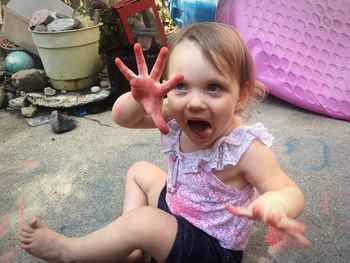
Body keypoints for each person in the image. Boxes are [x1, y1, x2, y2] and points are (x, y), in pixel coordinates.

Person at [19, 22, 310, 263]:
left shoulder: (244, 149)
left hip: (211, 250)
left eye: (214, 87)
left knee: (145, 221)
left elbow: (289, 190)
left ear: (242, 95)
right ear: (168, 87)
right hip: (177, 210)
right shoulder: (172, 113)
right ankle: (131, 247)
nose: (195, 102)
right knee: (138, 171)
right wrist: (139, 100)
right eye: (181, 86)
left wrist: (275, 203)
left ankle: (68, 252)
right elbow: (122, 118)